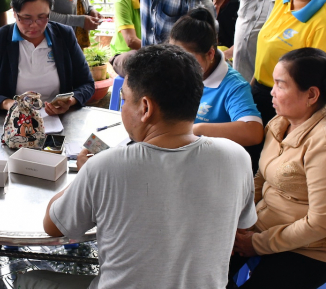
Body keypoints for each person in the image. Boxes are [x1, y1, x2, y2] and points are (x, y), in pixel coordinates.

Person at [17, 44, 256, 288]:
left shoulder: (104, 167)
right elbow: (244, 224)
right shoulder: (237, 158)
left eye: (124, 101)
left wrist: (84, 172)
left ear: (145, 108)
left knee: (28, 280)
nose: (122, 109)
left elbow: (53, 226)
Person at [228, 48, 326, 289]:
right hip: (263, 227)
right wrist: (242, 221)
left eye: (280, 85)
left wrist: (256, 243)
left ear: (311, 95)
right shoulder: (280, 122)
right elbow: (262, 176)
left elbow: (319, 225)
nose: (271, 92)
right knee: (203, 271)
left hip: (308, 249)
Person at [0, 0, 94, 115]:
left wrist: (70, 101)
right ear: (14, 12)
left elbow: (87, 84)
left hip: (57, 120)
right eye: (26, 18)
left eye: (42, 17)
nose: (34, 24)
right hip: (15, 124)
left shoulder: (64, 36)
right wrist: (7, 103)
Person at [169, 8, 263, 163]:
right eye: (174, 55)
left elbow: (253, 132)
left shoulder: (233, 86)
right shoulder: (175, 71)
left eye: (189, 59)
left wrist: (196, 130)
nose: (179, 65)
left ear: (210, 54)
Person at [108, 0, 144, 76]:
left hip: (149, 54)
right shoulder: (123, 1)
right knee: (135, 61)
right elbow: (131, 41)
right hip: (123, 55)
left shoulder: (159, 1)